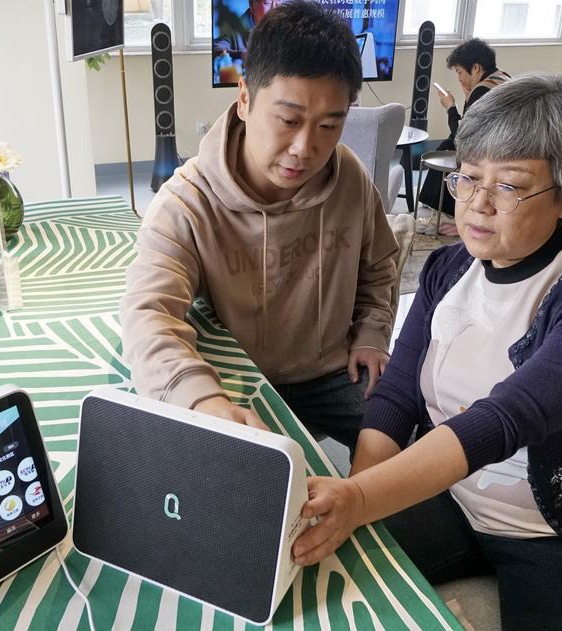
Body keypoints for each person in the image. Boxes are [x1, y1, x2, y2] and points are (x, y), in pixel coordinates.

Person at [292, 74, 562, 630]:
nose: (477, 205)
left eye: (510, 186)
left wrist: (361, 501)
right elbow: (397, 394)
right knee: (302, 575)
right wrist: (359, 493)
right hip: (452, 501)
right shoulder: (449, 268)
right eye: (468, 178)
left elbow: (506, 418)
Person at [121, 0, 399, 451]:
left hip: (333, 372)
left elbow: (380, 264)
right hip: (237, 377)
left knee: (408, 448)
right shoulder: (186, 202)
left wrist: (372, 333)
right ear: (245, 99)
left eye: (330, 125)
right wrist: (202, 399)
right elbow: (148, 315)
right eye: (288, 120)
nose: (305, 148)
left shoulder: (348, 175)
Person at [419, 38, 510, 235]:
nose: (459, 77)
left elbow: (462, 135)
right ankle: (439, 206)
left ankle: (448, 214)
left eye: (460, 72)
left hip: (491, 153)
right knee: (447, 143)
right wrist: (468, 97)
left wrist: (450, 106)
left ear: (476, 68)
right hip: (505, 146)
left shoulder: (482, 91)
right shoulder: (502, 78)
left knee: (448, 146)